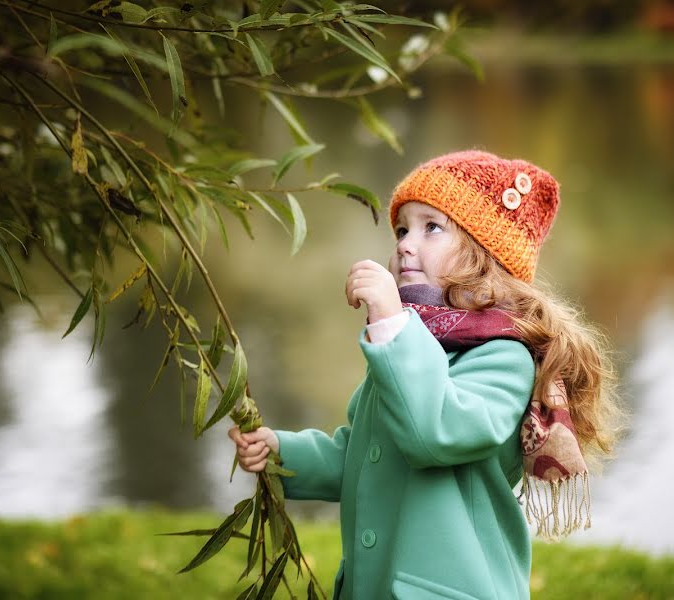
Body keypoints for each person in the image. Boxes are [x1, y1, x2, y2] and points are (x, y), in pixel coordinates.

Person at [228, 150, 621, 599]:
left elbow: (435, 432)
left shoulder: (504, 356)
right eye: (401, 228)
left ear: (482, 253)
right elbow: (363, 456)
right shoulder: (409, 348)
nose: (403, 243)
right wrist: (283, 453)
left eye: (430, 227)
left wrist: (393, 326)